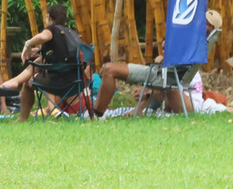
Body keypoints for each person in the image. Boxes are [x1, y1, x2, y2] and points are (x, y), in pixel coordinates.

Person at [94, 9, 222, 116]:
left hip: (178, 95)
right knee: (110, 69)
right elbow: (164, 61)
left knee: (111, 69)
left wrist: (148, 91)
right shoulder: (190, 40)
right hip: (166, 79)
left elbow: (166, 66)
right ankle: (103, 114)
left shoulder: (196, 46)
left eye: (206, 26)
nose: (200, 26)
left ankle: (98, 116)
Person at [14, 4, 83, 122]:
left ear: (48, 17)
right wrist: (40, 50)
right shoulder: (72, 33)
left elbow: (42, 37)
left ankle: (22, 117)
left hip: (56, 82)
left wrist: (28, 44)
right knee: (40, 69)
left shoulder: (51, 30)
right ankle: (14, 82)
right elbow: (64, 52)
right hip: (77, 82)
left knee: (28, 83)